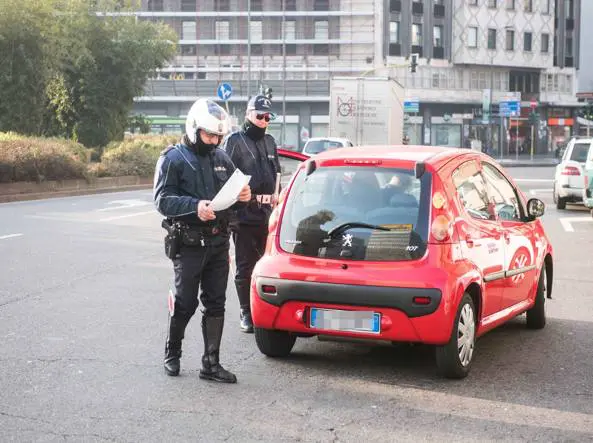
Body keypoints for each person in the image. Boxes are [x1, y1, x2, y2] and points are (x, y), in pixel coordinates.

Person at [153, 98, 251, 383]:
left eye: (218, 136)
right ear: (194, 129)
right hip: (188, 242)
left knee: (216, 303)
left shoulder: (221, 158)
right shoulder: (172, 158)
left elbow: (233, 195)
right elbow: (162, 199)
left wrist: (243, 197)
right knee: (185, 302)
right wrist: (195, 206)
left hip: (219, 242)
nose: (215, 140)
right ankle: (173, 351)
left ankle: (211, 364)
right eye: (209, 134)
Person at [222, 95, 281, 333]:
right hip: (244, 213)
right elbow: (223, 176)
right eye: (260, 116)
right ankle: (246, 311)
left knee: (265, 265)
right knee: (245, 266)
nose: (264, 121)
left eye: (268, 117)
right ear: (248, 114)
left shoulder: (270, 141)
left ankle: (261, 310)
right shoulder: (234, 141)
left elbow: (276, 172)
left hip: (267, 213)